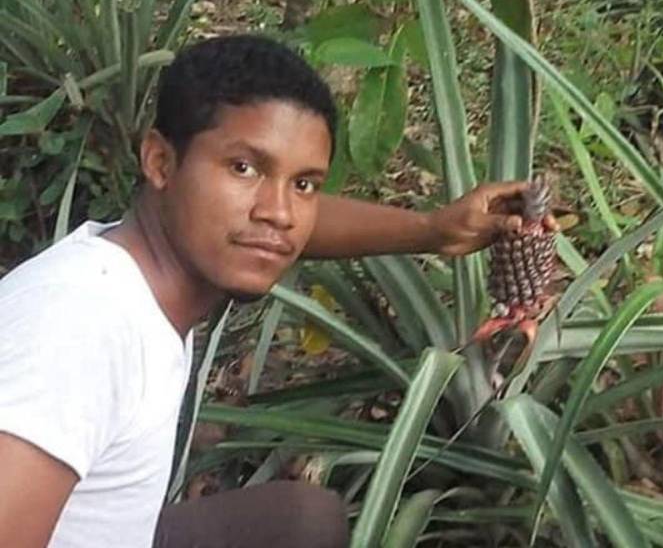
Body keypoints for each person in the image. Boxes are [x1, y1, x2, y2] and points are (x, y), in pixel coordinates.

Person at [0, 35, 531, 548]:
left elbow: (292, 226)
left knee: (302, 521)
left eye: (303, 183)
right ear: (161, 162)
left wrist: (433, 229)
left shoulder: (142, 272)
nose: (278, 213)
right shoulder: (79, 330)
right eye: (244, 167)